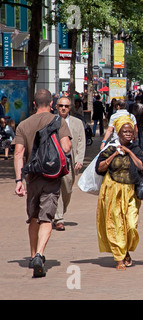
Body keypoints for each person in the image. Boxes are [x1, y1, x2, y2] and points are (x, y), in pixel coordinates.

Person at [13, 89, 72, 277]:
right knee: (47, 217)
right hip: (52, 176)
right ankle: (40, 253)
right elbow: (66, 147)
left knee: (33, 217)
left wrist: (18, 180)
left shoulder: (23, 124)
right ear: (52, 104)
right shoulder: (58, 121)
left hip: (32, 177)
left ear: (34, 103)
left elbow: (18, 154)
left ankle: (32, 256)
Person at [95, 115, 143, 270]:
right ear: (118, 133)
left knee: (131, 225)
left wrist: (128, 151)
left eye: (130, 131)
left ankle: (126, 249)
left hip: (131, 191)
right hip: (112, 190)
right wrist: (115, 154)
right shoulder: (110, 149)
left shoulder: (136, 148)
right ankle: (119, 257)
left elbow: (141, 166)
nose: (128, 134)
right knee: (116, 224)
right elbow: (99, 168)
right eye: (124, 131)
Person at [53, 97, 86, 231]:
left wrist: (79, 159)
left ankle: (61, 211)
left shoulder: (77, 123)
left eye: (66, 106)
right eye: (61, 105)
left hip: (69, 161)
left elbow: (81, 142)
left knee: (67, 189)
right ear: (56, 107)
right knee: (56, 189)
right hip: (54, 161)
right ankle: (58, 218)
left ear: (70, 108)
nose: (63, 108)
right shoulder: (51, 121)